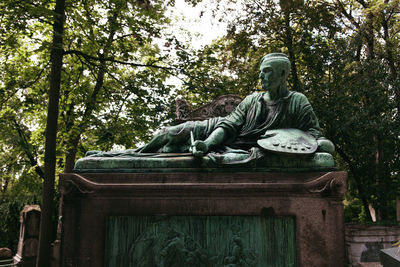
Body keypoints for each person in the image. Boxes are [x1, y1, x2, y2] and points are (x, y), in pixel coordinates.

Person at [137, 53, 334, 157]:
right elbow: (227, 126)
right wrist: (207, 144)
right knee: (168, 134)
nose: (261, 76)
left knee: (172, 150)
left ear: (283, 74)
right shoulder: (252, 100)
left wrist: (319, 145)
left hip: (239, 146)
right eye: (261, 71)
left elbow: (315, 137)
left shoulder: (298, 102)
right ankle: (137, 155)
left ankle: (166, 153)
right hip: (217, 132)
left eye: (266, 71)